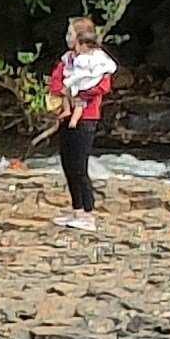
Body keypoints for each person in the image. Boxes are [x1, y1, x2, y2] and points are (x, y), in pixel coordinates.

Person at [46, 17, 113, 230]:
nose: (68, 37)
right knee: (67, 163)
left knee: (79, 166)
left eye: (71, 32)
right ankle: (76, 210)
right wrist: (64, 90)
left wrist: (77, 91)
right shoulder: (68, 59)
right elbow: (56, 80)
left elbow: (102, 86)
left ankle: (89, 212)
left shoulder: (96, 60)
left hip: (87, 119)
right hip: (67, 116)